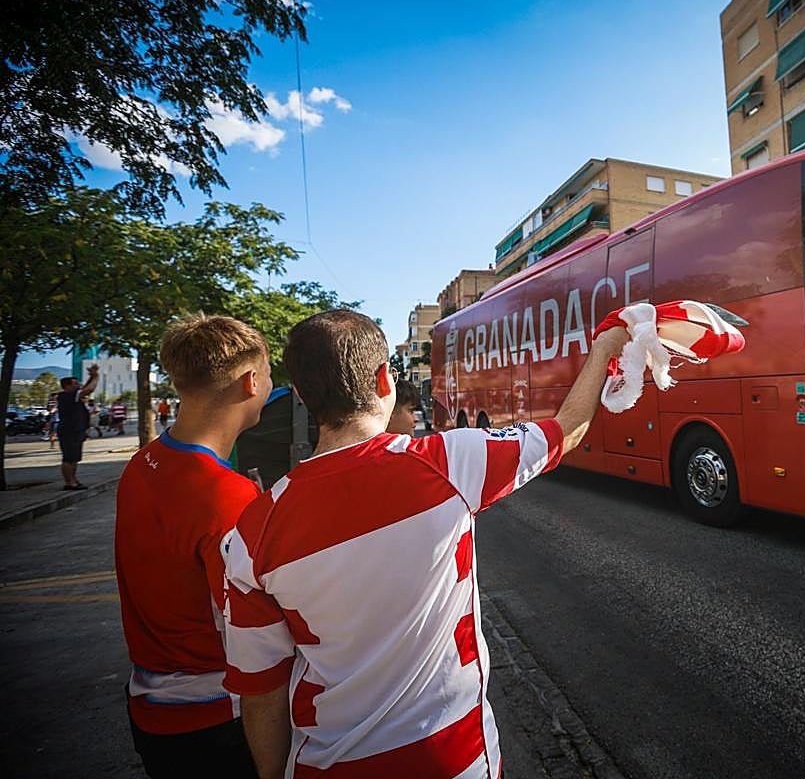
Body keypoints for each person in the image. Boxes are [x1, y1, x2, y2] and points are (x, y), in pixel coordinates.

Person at [222, 310, 628, 779]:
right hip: (454, 759)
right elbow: (567, 430)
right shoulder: (451, 462)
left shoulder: (254, 529)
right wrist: (604, 350)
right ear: (382, 381)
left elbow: (261, 692)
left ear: (301, 395)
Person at [114, 314, 274, 778]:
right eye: (267, 375)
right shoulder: (228, 496)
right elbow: (248, 633)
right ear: (250, 382)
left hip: (150, 707)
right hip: (215, 721)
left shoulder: (143, 463)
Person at [56, 365, 99, 489]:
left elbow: (84, 388)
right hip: (69, 431)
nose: (77, 385)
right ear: (67, 386)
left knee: (74, 458)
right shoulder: (66, 396)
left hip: (76, 431)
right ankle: (69, 482)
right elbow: (88, 390)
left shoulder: (73, 395)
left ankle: (73, 480)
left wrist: (92, 376)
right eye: (74, 384)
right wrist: (96, 376)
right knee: (69, 458)